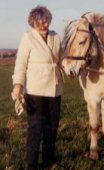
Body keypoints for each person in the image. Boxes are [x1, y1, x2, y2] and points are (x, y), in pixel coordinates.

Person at [11, 5, 64, 170]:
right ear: (33, 23)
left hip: (55, 89)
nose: (45, 25)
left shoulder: (55, 37)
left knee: (52, 127)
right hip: (35, 90)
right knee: (35, 128)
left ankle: (48, 160)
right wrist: (18, 85)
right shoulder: (28, 37)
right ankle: (31, 164)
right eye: (41, 22)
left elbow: (61, 59)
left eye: (47, 21)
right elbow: (21, 63)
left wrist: (71, 67)